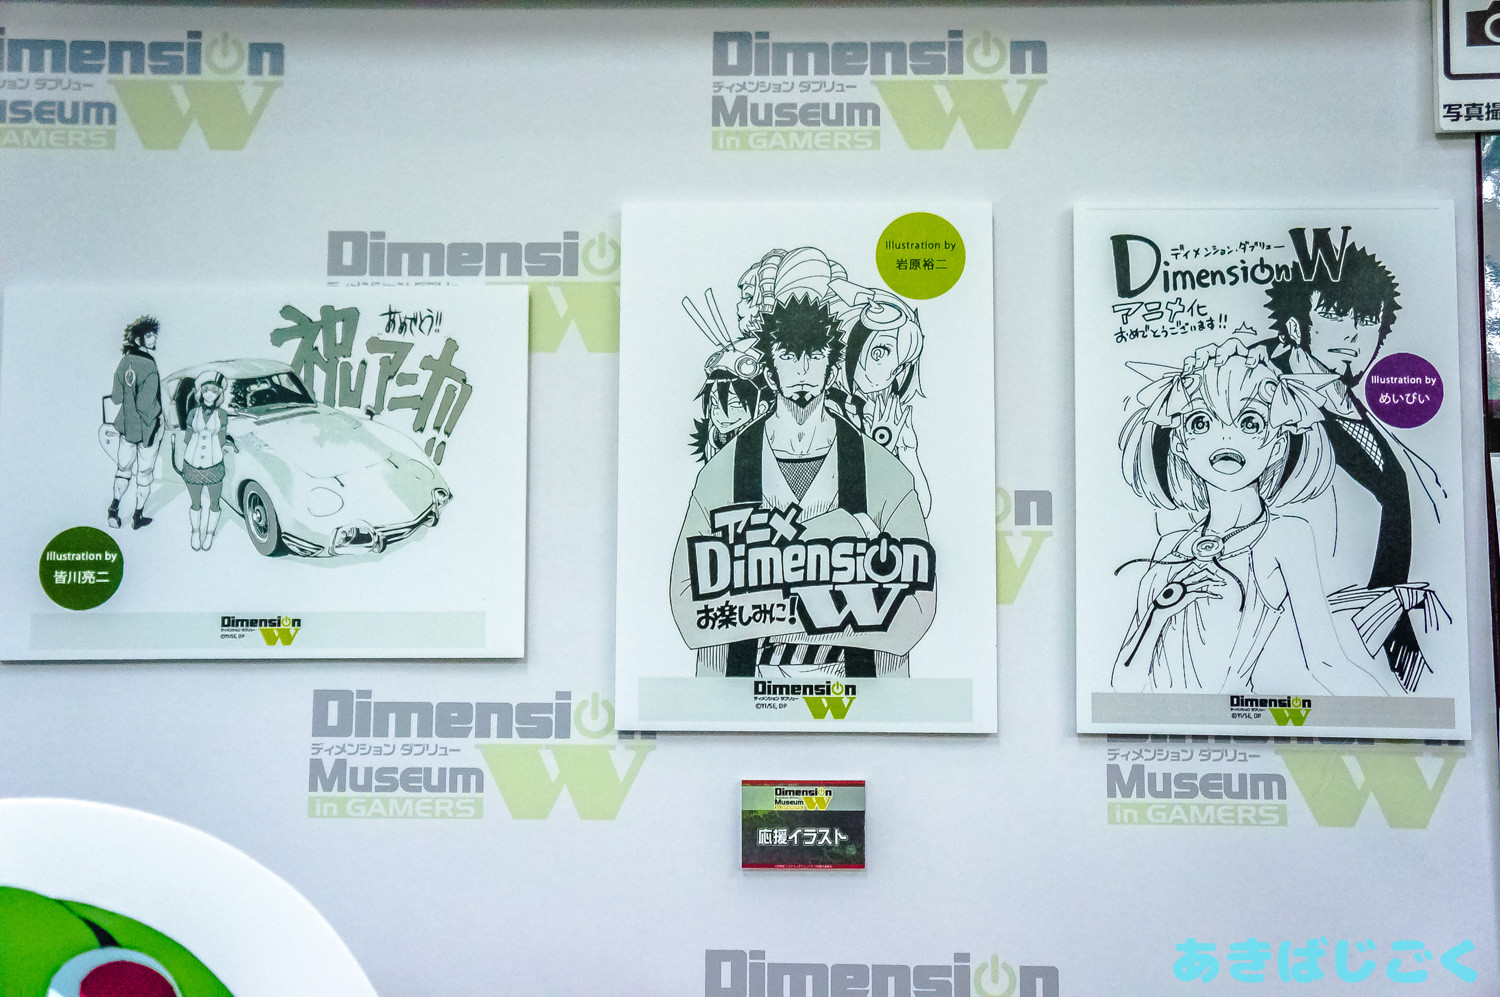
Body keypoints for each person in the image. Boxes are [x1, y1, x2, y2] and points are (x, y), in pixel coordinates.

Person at [671, 293, 934, 679]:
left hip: (857, 694)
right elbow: (687, 604)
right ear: (770, 370)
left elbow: (918, 604)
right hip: (746, 694)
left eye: (815, 355)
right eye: (789, 356)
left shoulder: (884, 474)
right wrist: (834, 548)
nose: (803, 370)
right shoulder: (721, 474)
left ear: (832, 368)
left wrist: (768, 595)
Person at [1111, 339, 1385, 696]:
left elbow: (1327, 661)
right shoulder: (1170, 546)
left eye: (1250, 422)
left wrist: (1400, 714)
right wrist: (1159, 613)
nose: (1226, 437)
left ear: (1278, 444)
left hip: (1227, 716)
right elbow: (1123, 682)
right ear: (1179, 443)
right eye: (1200, 422)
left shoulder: (1287, 536)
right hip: (1159, 718)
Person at [1262, 244, 1444, 692]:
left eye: (1366, 320)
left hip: (1390, 639)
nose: (1353, 335)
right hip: (1304, 648)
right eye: (1334, 315)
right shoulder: (1263, 407)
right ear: (1295, 326)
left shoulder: (1366, 412)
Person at [833, 281, 931, 514]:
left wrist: (907, 450)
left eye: (900, 365)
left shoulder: (890, 415)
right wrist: (879, 445)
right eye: (880, 352)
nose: (891, 372)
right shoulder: (828, 412)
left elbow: (920, 509)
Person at [107, 316, 163, 530]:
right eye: (149, 335)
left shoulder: (124, 362)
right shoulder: (149, 365)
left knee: (123, 469)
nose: (154, 338)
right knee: (145, 474)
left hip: (127, 427)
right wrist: (159, 417)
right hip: (147, 429)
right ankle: (137, 516)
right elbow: (145, 404)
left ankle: (113, 509)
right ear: (139, 339)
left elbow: (116, 398)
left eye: (154, 334)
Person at [176, 372, 236, 551]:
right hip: (192, 463)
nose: (210, 394)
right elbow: (188, 437)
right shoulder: (192, 413)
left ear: (219, 394)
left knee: (214, 503)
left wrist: (222, 452)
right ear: (200, 392)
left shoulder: (222, 414)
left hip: (214, 464)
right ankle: (195, 532)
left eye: (214, 391)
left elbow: (221, 438)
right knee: (195, 503)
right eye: (206, 390)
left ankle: (210, 533)